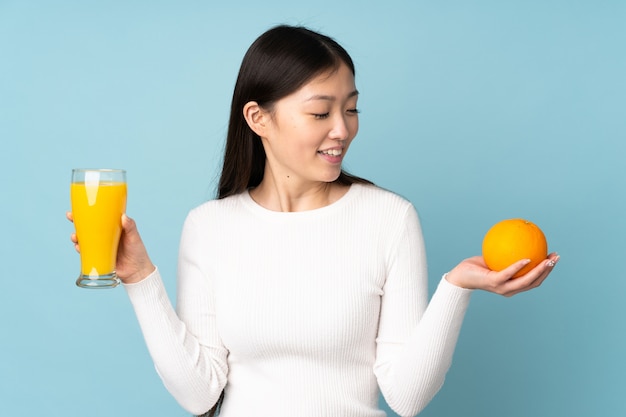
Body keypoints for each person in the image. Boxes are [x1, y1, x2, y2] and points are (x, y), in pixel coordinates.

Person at [68, 25, 559, 417]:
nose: (342, 130)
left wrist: (455, 288)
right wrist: (139, 279)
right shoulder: (209, 227)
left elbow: (407, 398)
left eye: (351, 109)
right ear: (259, 119)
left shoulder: (389, 218)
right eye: (320, 112)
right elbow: (199, 394)